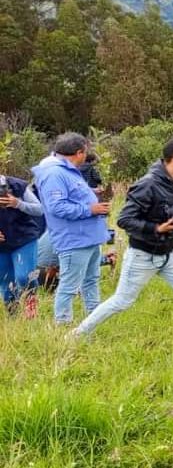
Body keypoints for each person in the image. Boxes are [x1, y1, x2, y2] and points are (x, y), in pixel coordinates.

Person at [74, 139, 173, 337]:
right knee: (122, 301)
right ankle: (77, 334)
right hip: (143, 254)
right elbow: (124, 219)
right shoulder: (147, 184)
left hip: (168, 253)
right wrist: (156, 228)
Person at [31, 133, 111, 325]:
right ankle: (63, 325)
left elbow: (71, 195)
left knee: (91, 281)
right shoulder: (53, 173)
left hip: (89, 236)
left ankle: (94, 320)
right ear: (79, 153)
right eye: (86, 152)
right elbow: (56, 206)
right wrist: (89, 208)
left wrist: (93, 200)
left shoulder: (67, 170)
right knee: (69, 285)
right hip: (74, 239)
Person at [0, 174, 45, 316]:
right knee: (6, 283)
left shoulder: (17, 186)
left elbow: (39, 209)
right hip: (2, 245)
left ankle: (31, 308)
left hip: (24, 238)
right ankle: (13, 316)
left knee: (24, 277)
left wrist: (18, 203)